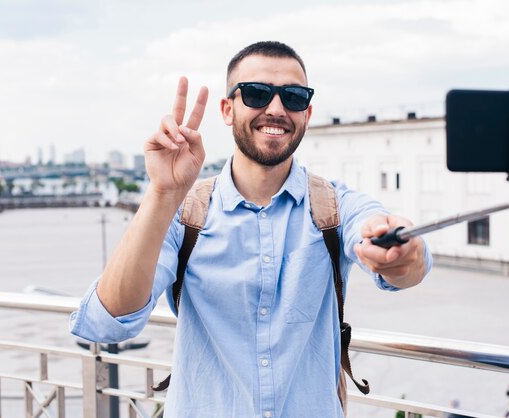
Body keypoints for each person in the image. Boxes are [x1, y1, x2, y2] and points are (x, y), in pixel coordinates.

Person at [70, 41, 431, 417]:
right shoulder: (184, 212)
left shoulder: (334, 208)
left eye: (293, 97)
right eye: (257, 94)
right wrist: (162, 193)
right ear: (227, 110)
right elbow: (106, 323)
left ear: (306, 113)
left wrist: (400, 250)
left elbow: (399, 254)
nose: (276, 109)